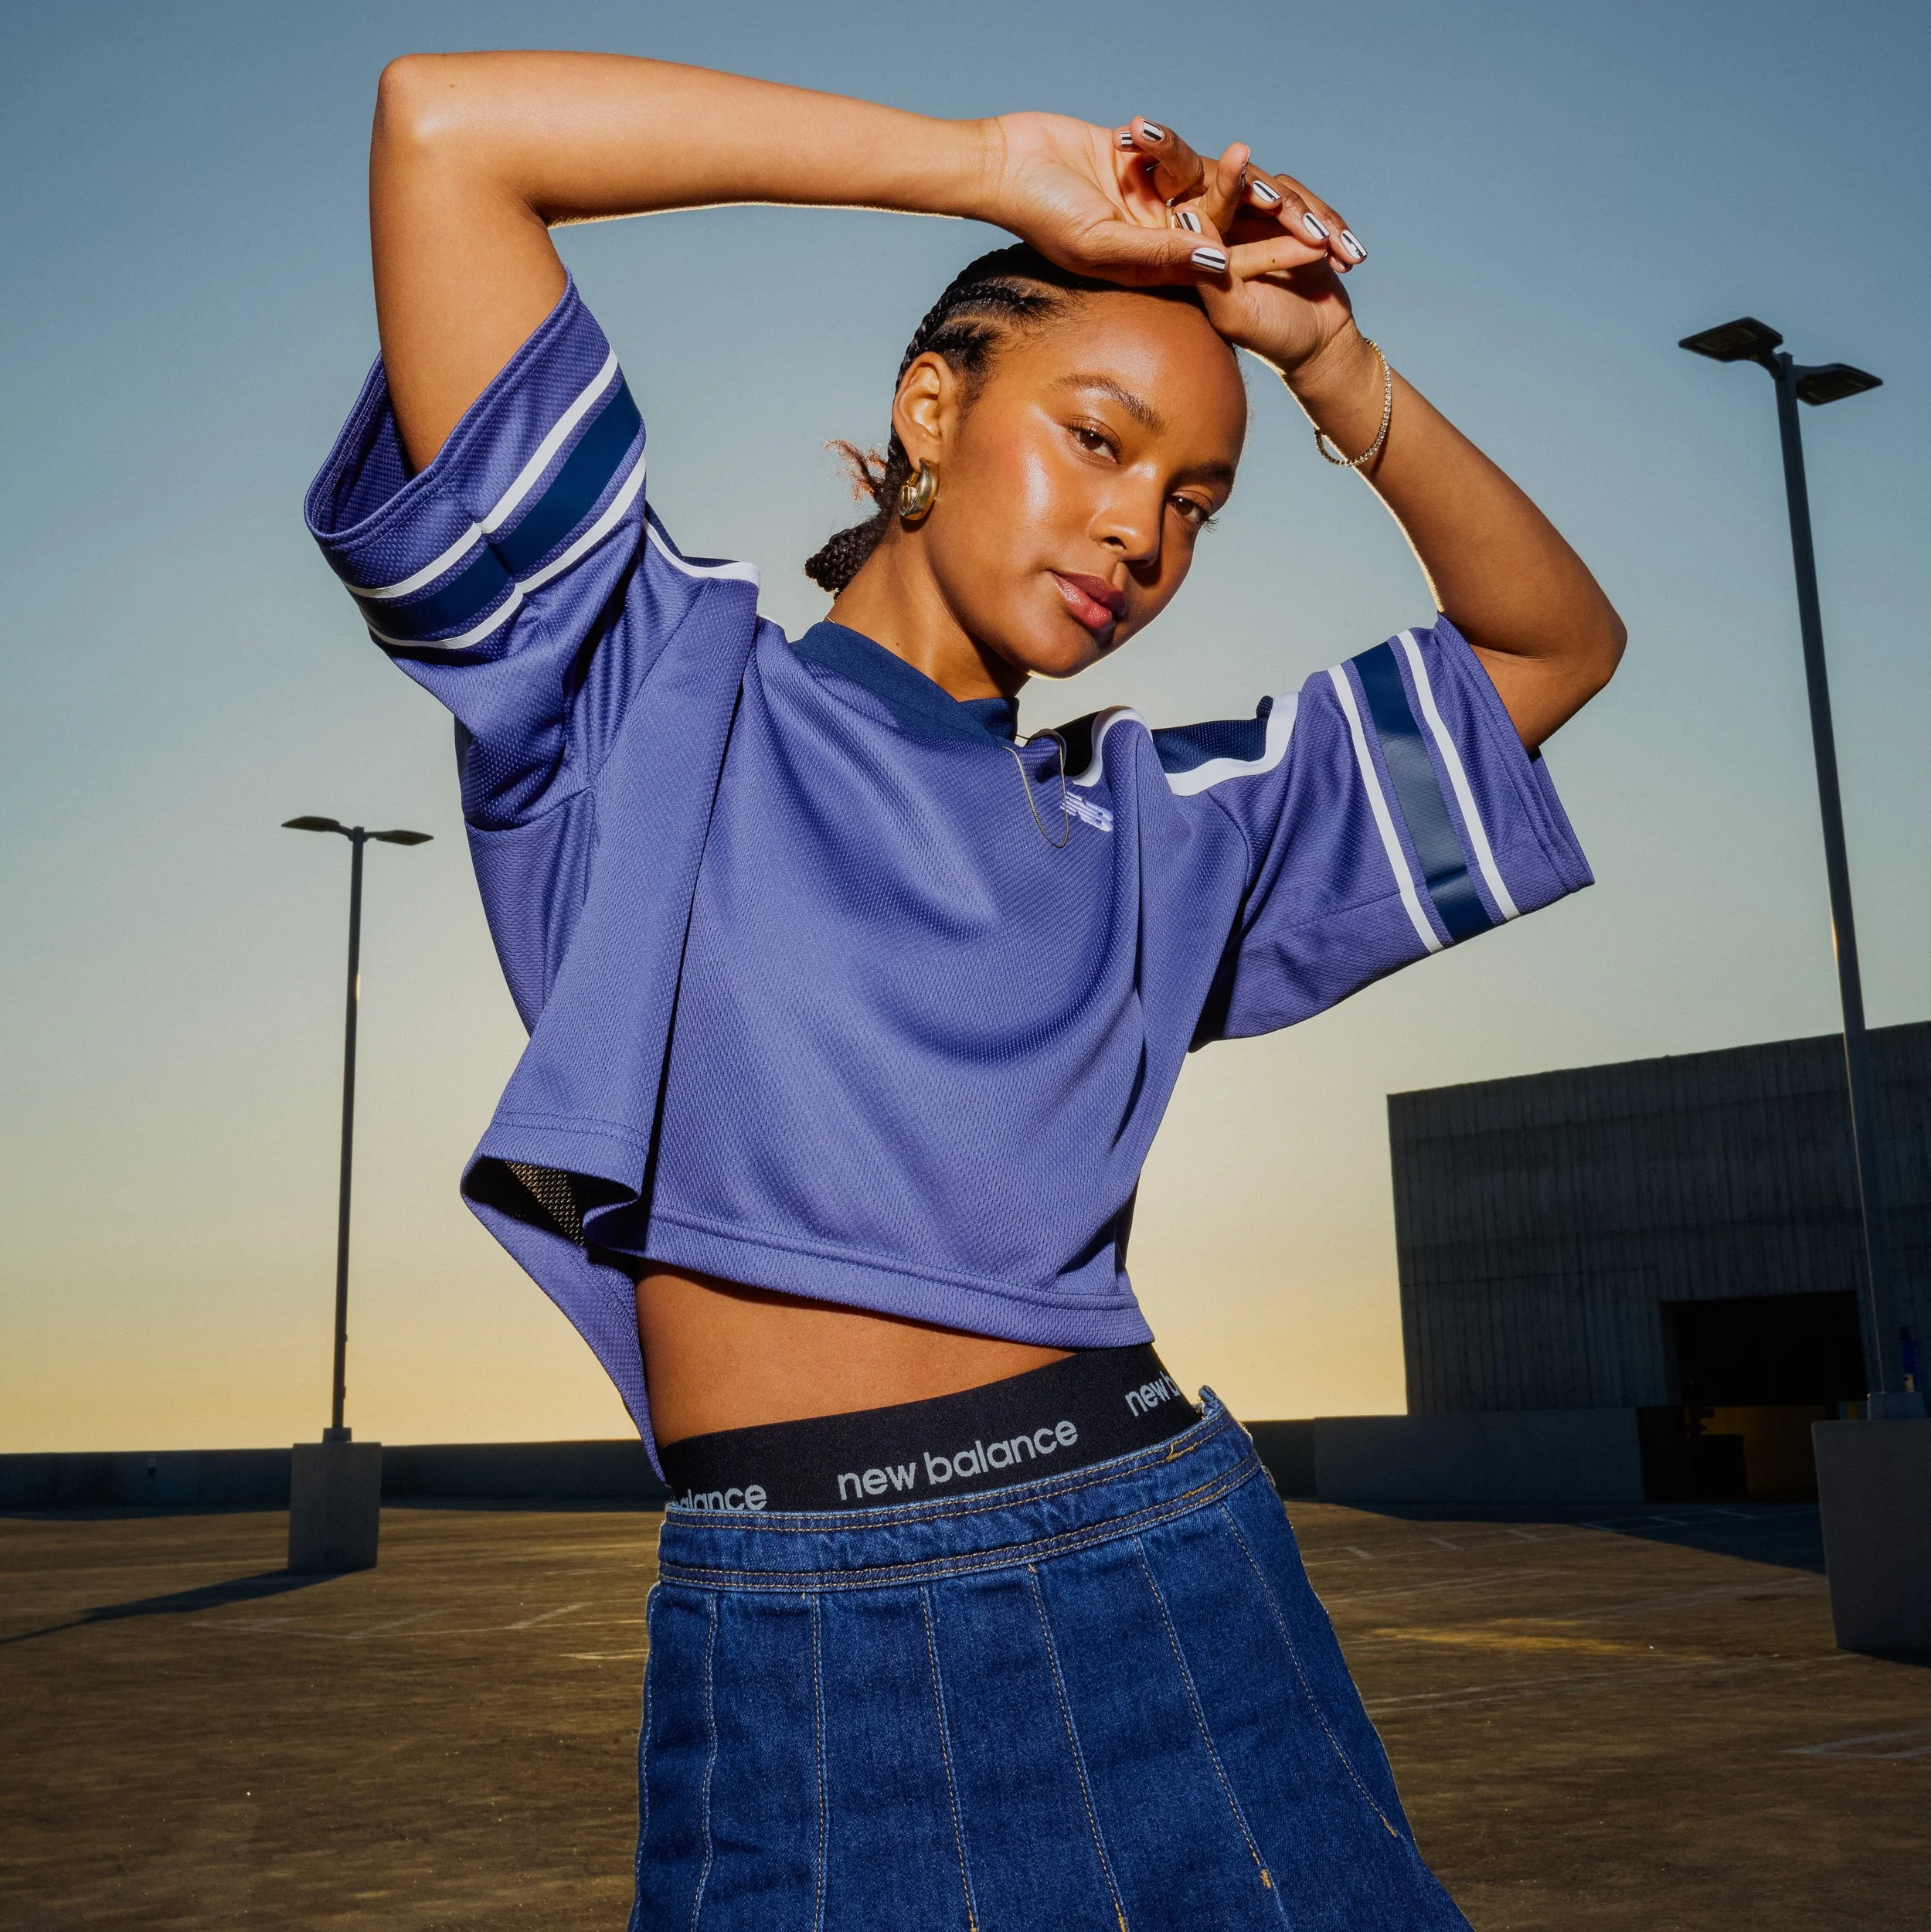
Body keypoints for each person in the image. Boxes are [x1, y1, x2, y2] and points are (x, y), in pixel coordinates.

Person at [306, 51, 1623, 1930]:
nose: (1139, 534)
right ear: (930, 406)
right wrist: (991, 170)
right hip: (794, 1650)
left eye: (1193, 501)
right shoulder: (637, 685)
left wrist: (1328, 362)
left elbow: (1550, 641)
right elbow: (450, 132)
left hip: (1168, 1585)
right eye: (1094, 439)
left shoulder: (1155, 829)